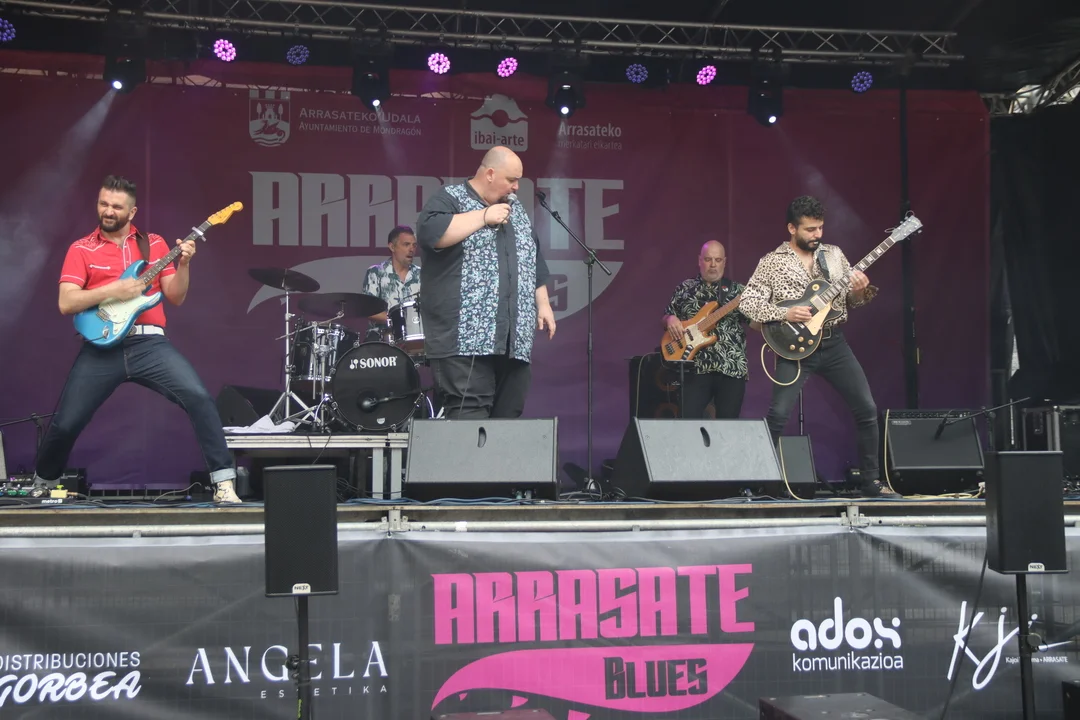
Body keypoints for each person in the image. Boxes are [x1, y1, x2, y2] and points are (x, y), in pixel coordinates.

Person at [32, 175, 241, 503]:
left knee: (199, 398)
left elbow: (175, 296)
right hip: (101, 347)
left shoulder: (154, 244)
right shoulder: (81, 248)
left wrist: (184, 264)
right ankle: (43, 483)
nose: (108, 211)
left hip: (149, 344)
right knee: (67, 422)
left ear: (132, 212)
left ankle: (224, 483)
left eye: (117, 207)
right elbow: (66, 302)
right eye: (103, 204)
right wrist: (114, 289)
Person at [740, 195, 897, 498]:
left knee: (866, 408)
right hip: (794, 347)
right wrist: (784, 313)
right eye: (810, 229)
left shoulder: (834, 255)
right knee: (778, 415)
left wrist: (859, 291)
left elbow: (850, 302)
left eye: (820, 228)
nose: (817, 235)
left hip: (833, 343)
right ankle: (755, 482)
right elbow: (748, 303)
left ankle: (871, 481)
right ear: (792, 228)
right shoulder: (772, 262)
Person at [415, 146, 556, 418]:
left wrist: (543, 303)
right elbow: (430, 234)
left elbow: (532, 256)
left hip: (512, 339)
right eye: (511, 179)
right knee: (469, 415)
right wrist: (483, 216)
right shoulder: (450, 198)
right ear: (490, 174)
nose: (516, 187)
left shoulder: (515, 209)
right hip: (464, 339)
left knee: (508, 416)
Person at [662, 241, 750, 419]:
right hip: (695, 367)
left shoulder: (738, 291)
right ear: (699, 260)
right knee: (687, 422)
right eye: (708, 259)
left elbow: (755, 324)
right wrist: (670, 319)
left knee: (728, 426)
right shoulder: (685, 288)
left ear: (724, 262)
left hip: (731, 366)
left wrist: (763, 308)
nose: (713, 264)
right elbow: (667, 316)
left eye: (718, 260)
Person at [362, 224, 421, 342]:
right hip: (382, 340)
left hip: (415, 338)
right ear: (392, 247)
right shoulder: (376, 273)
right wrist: (397, 319)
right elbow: (368, 310)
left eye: (414, 245)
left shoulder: (421, 275)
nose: (411, 249)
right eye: (406, 244)